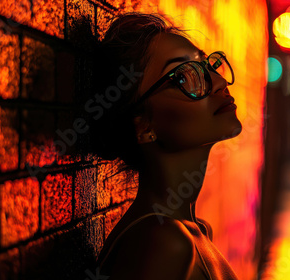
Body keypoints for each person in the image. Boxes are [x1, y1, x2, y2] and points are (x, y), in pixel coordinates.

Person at [90, 12, 242, 280]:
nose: (219, 83)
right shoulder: (163, 243)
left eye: (209, 67)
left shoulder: (194, 231)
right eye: (184, 77)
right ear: (144, 126)